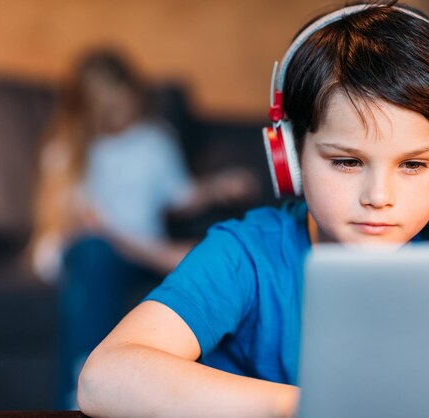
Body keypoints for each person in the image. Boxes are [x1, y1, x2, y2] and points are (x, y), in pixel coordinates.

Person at [77, 3, 429, 417]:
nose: (378, 196)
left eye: (413, 164)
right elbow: (103, 379)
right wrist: (316, 408)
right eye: (347, 161)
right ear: (289, 158)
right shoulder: (248, 256)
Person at [29, 49, 258, 408]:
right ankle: (76, 396)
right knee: (94, 251)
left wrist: (218, 186)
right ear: (87, 106)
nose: (118, 110)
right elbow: (69, 223)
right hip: (95, 250)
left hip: (140, 250)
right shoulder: (67, 151)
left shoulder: (155, 140)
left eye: (122, 98)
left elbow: (180, 196)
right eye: (106, 103)